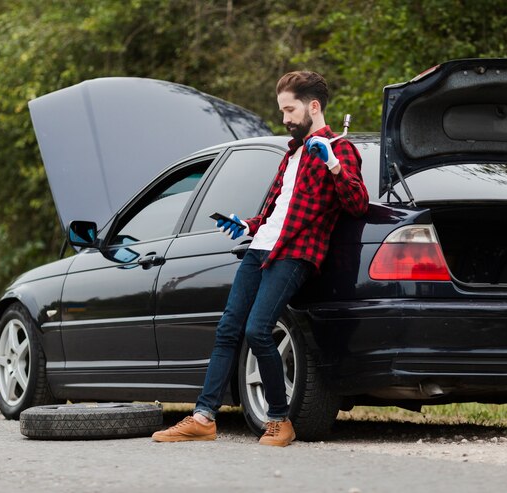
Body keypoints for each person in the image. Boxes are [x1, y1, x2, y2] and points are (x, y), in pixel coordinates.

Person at [152, 71, 369, 447]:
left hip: (295, 253)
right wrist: (246, 224)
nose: (285, 117)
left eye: (290, 109)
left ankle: (280, 420)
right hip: (260, 247)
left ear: (313, 107)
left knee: (257, 330)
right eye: (282, 109)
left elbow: (357, 203)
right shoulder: (292, 153)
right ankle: (203, 418)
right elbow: (274, 211)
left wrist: (334, 164)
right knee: (227, 330)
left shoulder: (340, 149)